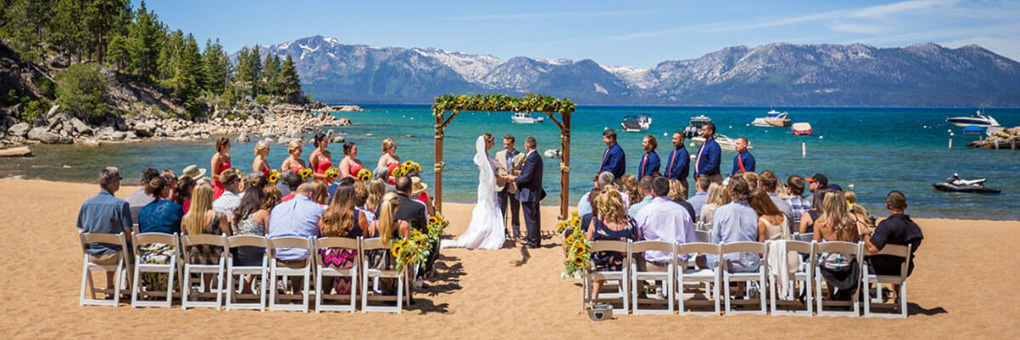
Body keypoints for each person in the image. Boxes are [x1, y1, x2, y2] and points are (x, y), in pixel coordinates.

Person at [443, 134, 507, 250]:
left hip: (489, 186)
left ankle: (489, 231)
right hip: (485, 186)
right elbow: (487, 173)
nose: (494, 143)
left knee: (490, 207)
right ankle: (483, 233)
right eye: (492, 141)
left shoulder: (486, 156)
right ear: (487, 143)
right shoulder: (480, 157)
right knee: (486, 206)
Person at [77, 167, 133, 290]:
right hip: (114, 255)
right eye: (118, 181)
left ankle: (110, 285)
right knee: (131, 249)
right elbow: (128, 234)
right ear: (113, 184)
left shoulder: (87, 204)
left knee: (111, 239)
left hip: (92, 255)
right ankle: (130, 287)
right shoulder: (120, 205)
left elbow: (82, 227)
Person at [861, 191, 923, 302]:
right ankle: (896, 295)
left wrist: (865, 235)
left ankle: (863, 296)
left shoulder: (886, 225)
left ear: (887, 206)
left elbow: (872, 249)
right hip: (903, 269)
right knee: (898, 259)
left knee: (861, 261)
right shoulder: (914, 228)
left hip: (879, 269)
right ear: (905, 206)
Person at [319, 181, 370, 294]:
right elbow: (364, 239)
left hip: (328, 261)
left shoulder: (326, 214)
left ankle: (328, 289)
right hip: (351, 262)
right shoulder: (359, 215)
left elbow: (321, 233)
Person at [634, 177, 695, 268]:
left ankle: (638, 282)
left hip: (652, 265)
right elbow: (691, 241)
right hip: (678, 265)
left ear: (653, 191)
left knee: (635, 257)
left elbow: (636, 238)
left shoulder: (644, 212)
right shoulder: (682, 211)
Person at [585, 186, 635, 300]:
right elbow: (636, 241)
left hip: (600, 268)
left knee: (598, 258)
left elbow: (587, 245)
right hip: (623, 267)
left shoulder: (596, 223)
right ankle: (627, 295)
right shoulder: (629, 223)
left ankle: (594, 296)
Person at [813, 192, 861, 300]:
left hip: (827, 266)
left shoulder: (820, 223)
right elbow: (856, 241)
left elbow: (815, 245)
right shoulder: (852, 222)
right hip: (847, 264)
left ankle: (830, 294)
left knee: (826, 258)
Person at [708, 176, 760, 273]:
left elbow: (715, 241)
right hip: (751, 264)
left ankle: (721, 287)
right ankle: (739, 287)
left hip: (729, 264)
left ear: (730, 191)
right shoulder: (754, 212)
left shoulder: (721, 211)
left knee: (703, 257)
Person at [750, 189, 796, 297]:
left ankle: (765, 291)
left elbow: (761, 249)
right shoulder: (783, 216)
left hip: (773, 263)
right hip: (790, 258)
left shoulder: (762, 222)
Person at [268, 183, 324, 263]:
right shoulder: (317, 209)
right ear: (311, 195)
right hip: (304, 256)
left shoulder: (277, 208)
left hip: (277, 254)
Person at [510, 136, 546, 249]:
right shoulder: (537, 157)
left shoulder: (532, 158)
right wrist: (518, 174)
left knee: (530, 218)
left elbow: (527, 177)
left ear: (527, 146)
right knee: (534, 217)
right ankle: (536, 240)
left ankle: (532, 241)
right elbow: (528, 173)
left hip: (529, 192)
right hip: (533, 192)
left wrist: (514, 179)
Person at [495, 134, 524, 243]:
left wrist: (515, 174)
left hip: (514, 185)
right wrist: (500, 176)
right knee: (500, 210)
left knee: (515, 210)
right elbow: (496, 169)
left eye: (507, 144)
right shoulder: (499, 154)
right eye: (504, 144)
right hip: (501, 185)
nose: (505, 146)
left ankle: (516, 234)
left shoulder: (521, 155)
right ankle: (500, 233)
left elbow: (523, 172)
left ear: (513, 144)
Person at [663, 131, 690, 197]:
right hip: (670, 181)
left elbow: (680, 167)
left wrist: (672, 178)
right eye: (673, 138)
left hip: (679, 182)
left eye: (675, 139)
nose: (673, 141)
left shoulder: (683, 153)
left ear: (682, 140)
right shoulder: (673, 152)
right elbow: (668, 167)